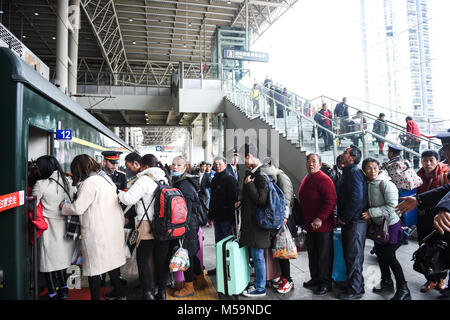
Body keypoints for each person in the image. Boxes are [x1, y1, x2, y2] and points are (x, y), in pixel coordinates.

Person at [60, 154, 126, 300]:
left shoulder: (89, 183)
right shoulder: (105, 179)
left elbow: (78, 208)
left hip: (97, 232)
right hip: (111, 229)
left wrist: (64, 207)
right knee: (112, 264)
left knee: (94, 269)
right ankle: (120, 294)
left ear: (78, 169)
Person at [118, 154, 172, 300]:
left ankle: (147, 293)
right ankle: (162, 292)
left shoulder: (144, 179)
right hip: (165, 225)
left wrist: (118, 194)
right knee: (161, 260)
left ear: (145, 166)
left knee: (143, 259)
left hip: (147, 225)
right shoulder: (164, 178)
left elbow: (128, 198)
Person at [361, 158, 411, 300]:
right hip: (378, 226)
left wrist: (371, 212)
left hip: (391, 225)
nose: (372, 171)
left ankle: (404, 288)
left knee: (390, 257)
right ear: (364, 170)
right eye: (369, 168)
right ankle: (387, 282)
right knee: (381, 256)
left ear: (379, 168)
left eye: (375, 168)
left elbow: (392, 207)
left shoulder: (386, 183)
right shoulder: (368, 183)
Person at [32, 155, 76, 300]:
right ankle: (64, 289)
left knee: (48, 261)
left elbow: (32, 205)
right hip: (66, 225)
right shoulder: (68, 181)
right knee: (63, 260)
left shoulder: (41, 184)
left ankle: (52, 291)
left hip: (49, 227)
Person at [298, 153, 337, 296]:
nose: (311, 164)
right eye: (308, 161)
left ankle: (325, 282)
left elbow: (331, 201)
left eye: (314, 161)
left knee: (323, 255)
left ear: (320, 164)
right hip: (310, 225)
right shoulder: (306, 178)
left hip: (323, 226)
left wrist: (320, 218)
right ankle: (315, 278)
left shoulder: (324, 180)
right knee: (313, 253)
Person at [171, 155, 206, 298]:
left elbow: (185, 208)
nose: (175, 167)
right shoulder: (182, 181)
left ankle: (189, 286)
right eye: (173, 165)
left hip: (187, 224)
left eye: (179, 165)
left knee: (186, 254)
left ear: (185, 167)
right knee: (191, 252)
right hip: (191, 223)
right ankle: (200, 279)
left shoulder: (184, 184)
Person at [238, 143, 270, 297]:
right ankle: (257, 282)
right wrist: (242, 202)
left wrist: (249, 185)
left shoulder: (262, 175)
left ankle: (260, 287)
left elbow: (261, 200)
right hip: (252, 223)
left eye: (242, 158)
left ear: (249, 156)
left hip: (258, 224)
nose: (242, 161)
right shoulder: (252, 173)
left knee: (258, 256)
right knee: (255, 256)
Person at [336, 145, 369, 300]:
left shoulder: (353, 172)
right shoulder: (349, 172)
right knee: (351, 255)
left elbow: (356, 198)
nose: (342, 154)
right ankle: (356, 284)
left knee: (353, 256)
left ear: (352, 158)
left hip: (355, 222)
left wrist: (345, 217)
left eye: (345, 152)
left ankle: (354, 290)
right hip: (352, 221)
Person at [415, 150, 449, 293]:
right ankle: (430, 279)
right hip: (423, 218)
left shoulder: (444, 175)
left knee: (440, 248)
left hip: (441, 220)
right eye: (425, 161)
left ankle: (441, 280)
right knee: (425, 248)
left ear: (437, 161)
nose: (428, 164)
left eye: (431, 160)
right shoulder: (418, 175)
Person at [260, 157, 295, 294]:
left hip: (283, 220)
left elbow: (286, 199)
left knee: (283, 251)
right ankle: (283, 277)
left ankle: (288, 279)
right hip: (277, 219)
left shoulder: (282, 177)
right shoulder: (274, 176)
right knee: (279, 250)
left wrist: (284, 217)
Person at [100, 150, 127, 286]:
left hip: (115, 215)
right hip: (101, 216)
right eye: (111, 162)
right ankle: (101, 276)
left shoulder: (121, 177)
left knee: (115, 246)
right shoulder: (97, 177)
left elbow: (125, 198)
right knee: (102, 246)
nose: (114, 166)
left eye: (116, 163)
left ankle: (117, 275)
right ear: (104, 161)